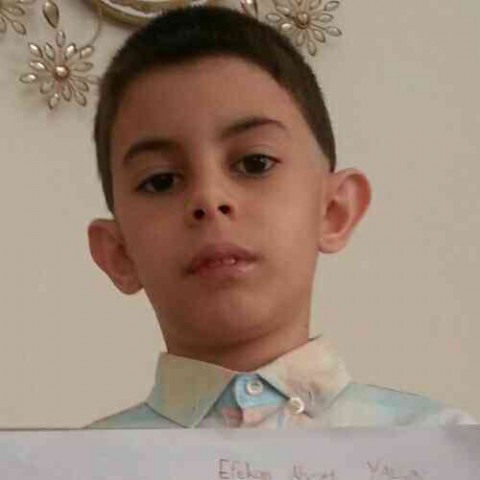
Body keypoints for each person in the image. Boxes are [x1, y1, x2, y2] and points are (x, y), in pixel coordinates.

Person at [85, 5, 476, 429]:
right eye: (161, 181)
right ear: (119, 253)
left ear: (334, 210)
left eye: (254, 163)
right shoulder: (73, 461)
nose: (209, 199)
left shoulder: (445, 446)